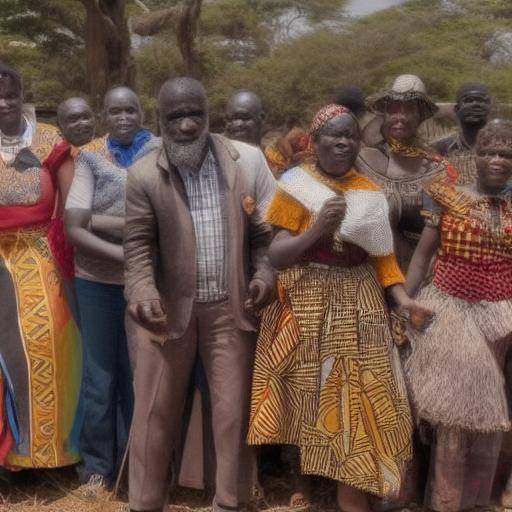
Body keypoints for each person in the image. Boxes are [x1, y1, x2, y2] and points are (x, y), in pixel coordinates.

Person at [247, 104, 431, 512]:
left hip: (359, 298)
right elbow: (277, 255)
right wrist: (317, 228)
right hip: (308, 297)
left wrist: (404, 301)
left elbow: (382, 258)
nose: (344, 141)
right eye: (335, 135)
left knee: (361, 396)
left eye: (351, 135)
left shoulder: (368, 191)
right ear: (315, 143)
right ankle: (307, 486)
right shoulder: (295, 184)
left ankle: (358, 489)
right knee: (311, 395)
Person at [125, 76, 276, 512]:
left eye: (196, 114)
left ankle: (230, 502)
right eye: (177, 116)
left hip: (230, 311)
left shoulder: (242, 162)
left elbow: (264, 237)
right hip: (167, 313)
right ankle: (145, 502)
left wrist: (264, 275)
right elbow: (136, 246)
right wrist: (141, 291)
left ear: (210, 114)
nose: (188, 125)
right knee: (154, 414)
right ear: (161, 120)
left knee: (231, 416)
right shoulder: (143, 174)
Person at [404, 120, 512, 512]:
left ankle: (477, 501)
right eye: (489, 153)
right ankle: (445, 501)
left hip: (502, 318)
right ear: (475, 158)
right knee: (456, 414)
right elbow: (421, 259)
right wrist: (405, 303)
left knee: (491, 412)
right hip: (453, 311)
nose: (497, 161)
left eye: (506, 154)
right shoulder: (449, 199)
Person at [65, 86, 159, 494]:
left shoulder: (161, 151)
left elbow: (171, 216)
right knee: (100, 379)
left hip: (149, 286)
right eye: (114, 110)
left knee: (142, 378)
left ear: (142, 112)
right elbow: (74, 228)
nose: (123, 117)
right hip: (96, 283)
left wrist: (102, 222)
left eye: (130, 109)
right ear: (105, 116)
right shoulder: (90, 157)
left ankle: (137, 468)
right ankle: (98, 471)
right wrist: (131, 251)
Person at [0, 62, 82, 469]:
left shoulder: (49, 140)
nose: (4, 103)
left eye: (11, 95)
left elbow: (70, 206)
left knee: (44, 332)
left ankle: (40, 452)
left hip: (39, 251)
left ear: (22, 95)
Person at [357, 74, 453, 271]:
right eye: (393, 110)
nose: (400, 117)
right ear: (384, 114)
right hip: (365, 267)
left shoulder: (436, 168)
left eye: (409, 110)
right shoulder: (362, 159)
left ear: (420, 116)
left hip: (418, 270)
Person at [44, 97, 96, 282]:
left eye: (86, 117)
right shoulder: (55, 155)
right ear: (60, 125)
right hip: (66, 243)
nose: (81, 123)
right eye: (73, 119)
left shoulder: (110, 149)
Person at [434, 83, 492, 184]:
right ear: (456, 109)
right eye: (469, 100)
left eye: (481, 101)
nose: (476, 104)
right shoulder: (440, 147)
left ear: (489, 108)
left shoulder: (504, 144)